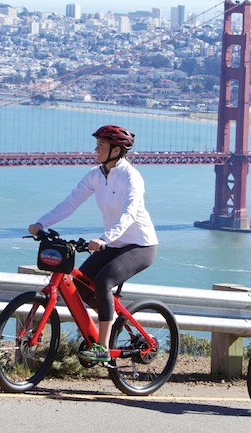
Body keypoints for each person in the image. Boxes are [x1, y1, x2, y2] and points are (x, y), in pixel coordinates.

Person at [28, 125, 158, 364]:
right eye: (97, 144)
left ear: (116, 150)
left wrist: (104, 239)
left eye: (101, 145)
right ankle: (113, 325)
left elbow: (128, 215)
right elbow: (70, 203)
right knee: (81, 286)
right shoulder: (96, 175)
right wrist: (41, 223)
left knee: (103, 281)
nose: (95, 149)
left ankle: (103, 347)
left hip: (140, 245)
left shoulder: (131, 177)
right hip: (113, 243)